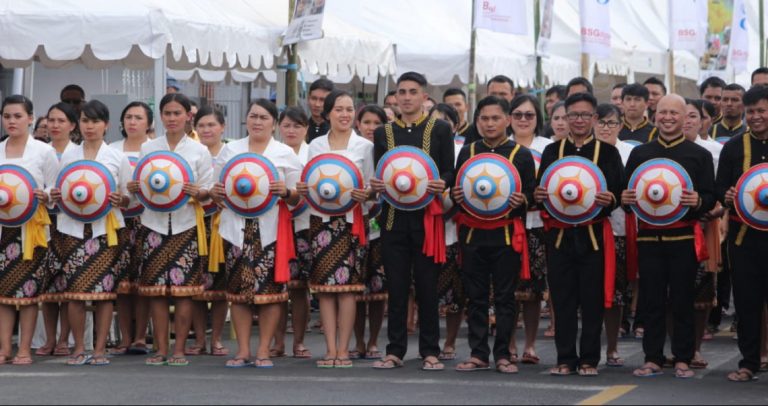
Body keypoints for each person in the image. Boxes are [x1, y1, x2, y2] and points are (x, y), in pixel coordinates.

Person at [623, 94, 716, 379]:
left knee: (682, 300)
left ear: (686, 116)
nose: (668, 118)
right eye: (662, 112)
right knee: (651, 300)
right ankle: (652, 357)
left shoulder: (699, 155)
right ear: (655, 115)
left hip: (683, 238)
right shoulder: (640, 153)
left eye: (674, 113)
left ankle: (683, 357)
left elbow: (711, 196)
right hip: (649, 238)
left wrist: (698, 201)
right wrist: (624, 198)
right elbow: (626, 195)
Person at [534, 92, 624, 377]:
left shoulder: (608, 152)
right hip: (559, 235)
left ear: (595, 118)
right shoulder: (552, 151)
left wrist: (610, 199)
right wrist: (537, 195)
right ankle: (564, 358)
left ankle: (589, 359)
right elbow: (541, 191)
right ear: (564, 118)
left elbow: (619, 192)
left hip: (594, 234)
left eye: (586, 115)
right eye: (573, 115)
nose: (580, 120)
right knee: (562, 299)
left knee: (592, 299)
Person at [370, 72, 455, 371]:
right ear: (395, 97)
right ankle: (394, 350)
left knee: (428, 287)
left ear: (424, 97)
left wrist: (441, 183)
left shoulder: (441, 130)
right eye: (401, 92)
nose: (406, 97)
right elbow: (380, 173)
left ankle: (430, 350)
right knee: (396, 286)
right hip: (393, 220)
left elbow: (450, 171)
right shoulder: (384, 134)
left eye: (412, 92)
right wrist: (376, 186)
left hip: (428, 221)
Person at [210, 99, 301, 368]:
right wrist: (218, 193)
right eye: (253, 116)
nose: (257, 121)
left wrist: (284, 192)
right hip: (236, 228)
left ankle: (263, 349)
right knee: (238, 291)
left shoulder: (284, 153)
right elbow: (218, 189)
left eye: (263, 117)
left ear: (274, 122)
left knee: (270, 291)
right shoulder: (230, 150)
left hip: (271, 229)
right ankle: (242, 350)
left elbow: (297, 197)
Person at [129, 93, 213, 367]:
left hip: (186, 224)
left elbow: (208, 192)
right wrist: (135, 188)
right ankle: (160, 348)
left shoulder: (199, 151)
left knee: (184, 290)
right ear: (161, 116)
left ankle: (179, 348)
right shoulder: (148, 148)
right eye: (167, 113)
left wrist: (197, 192)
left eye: (177, 113)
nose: (172, 118)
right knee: (155, 291)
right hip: (153, 224)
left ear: (188, 116)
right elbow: (138, 189)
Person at [452, 96, 535, 374]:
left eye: (495, 118)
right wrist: (456, 194)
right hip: (473, 233)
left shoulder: (520, 155)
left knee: (505, 297)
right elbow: (456, 188)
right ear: (477, 121)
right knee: (474, 297)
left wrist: (522, 200)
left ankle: (503, 354)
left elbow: (533, 196)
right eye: (484, 119)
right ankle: (478, 354)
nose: (490, 123)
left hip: (506, 235)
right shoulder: (468, 151)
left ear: (508, 120)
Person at [49, 100, 131, 366]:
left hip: (104, 230)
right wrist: (55, 195)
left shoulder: (117, 157)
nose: (89, 126)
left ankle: (99, 348)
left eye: (95, 121)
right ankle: (78, 348)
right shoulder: (69, 156)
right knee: (75, 292)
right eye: (85, 121)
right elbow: (59, 191)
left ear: (106, 125)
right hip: (72, 229)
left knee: (104, 292)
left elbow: (129, 198)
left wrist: (122, 199)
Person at [297, 90, 373, 368]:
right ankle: (329, 348)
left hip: (351, 221)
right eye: (339, 109)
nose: (345, 114)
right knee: (325, 288)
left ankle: (344, 349)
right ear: (327, 113)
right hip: (320, 221)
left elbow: (373, 186)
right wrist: (304, 188)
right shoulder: (315, 145)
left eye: (349, 109)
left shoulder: (364, 146)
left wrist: (367, 194)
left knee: (348, 288)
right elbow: (310, 180)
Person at [0, 95, 58, 366]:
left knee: (28, 293)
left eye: (17, 116)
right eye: (7, 116)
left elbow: (54, 187)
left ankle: (24, 348)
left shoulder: (43, 151)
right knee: (3, 294)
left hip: (31, 230)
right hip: (3, 229)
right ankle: (4, 349)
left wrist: (46, 196)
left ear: (31, 118)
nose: (12, 121)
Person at [717, 85, 768, 382]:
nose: (756, 117)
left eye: (762, 110)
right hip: (743, 238)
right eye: (752, 112)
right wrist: (728, 193)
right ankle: (749, 363)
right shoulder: (733, 147)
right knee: (747, 303)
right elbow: (718, 188)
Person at [506, 94, 552, 365]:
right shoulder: (501, 147)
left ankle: (531, 345)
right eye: (518, 114)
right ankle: (509, 342)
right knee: (507, 289)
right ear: (509, 118)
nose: (523, 119)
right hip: (505, 225)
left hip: (538, 226)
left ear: (538, 119)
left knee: (534, 290)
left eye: (529, 115)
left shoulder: (548, 147)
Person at [185, 106, 230, 357]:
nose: (206, 130)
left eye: (211, 125)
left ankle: (218, 339)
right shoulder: (191, 153)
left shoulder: (230, 153)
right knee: (197, 285)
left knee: (221, 285)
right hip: (195, 221)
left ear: (222, 127)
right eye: (201, 125)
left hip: (222, 222)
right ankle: (200, 339)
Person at [110, 101, 153, 356]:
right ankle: (124, 337)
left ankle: (140, 337)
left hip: (147, 220)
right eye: (128, 117)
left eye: (138, 117)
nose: (132, 122)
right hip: (118, 221)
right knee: (123, 283)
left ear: (148, 123)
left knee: (144, 281)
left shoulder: (155, 150)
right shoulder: (113, 150)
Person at [594, 103, 635, 368]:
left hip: (619, 229)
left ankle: (612, 347)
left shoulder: (630, 152)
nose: (606, 128)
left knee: (616, 293)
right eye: (601, 122)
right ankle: (590, 348)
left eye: (611, 123)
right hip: (587, 229)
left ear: (621, 125)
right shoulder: (584, 152)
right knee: (588, 293)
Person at [682, 98, 722, 370]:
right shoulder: (657, 152)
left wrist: (713, 210)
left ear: (702, 120)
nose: (686, 121)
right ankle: (675, 348)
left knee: (702, 293)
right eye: (681, 115)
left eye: (693, 116)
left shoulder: (713, 152)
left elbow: (722, 192)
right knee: (672, 293)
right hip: (672, 229)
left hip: (706, 227)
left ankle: (695, 348)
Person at [271, 106, 312, 359]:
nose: (291, 130)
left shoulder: (314, 153)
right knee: (276, 286)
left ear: (306, 128)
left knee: (299, 288)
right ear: (278, 127)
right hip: (275, 225)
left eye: (297, 125)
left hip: (305, 224)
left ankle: (298, 341)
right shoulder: (272, 153)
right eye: (286, 125)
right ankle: (277, 342)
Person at [38, 102, 79, 357]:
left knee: (68, 283)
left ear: (72, 125)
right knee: (46, 284)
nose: (54, 125)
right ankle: (49, 339)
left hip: (70, 222)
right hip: (42, 221)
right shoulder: (39, 151)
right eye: (51, 120)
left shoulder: (78, 152)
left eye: (60, 121)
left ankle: (65, 339)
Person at [428, 103, 465, 362]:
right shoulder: (420, 151)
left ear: (454, 126)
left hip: (455, 226)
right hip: (427, 226)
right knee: (427, 288)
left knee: (456, 290)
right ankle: (428, 341)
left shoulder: (463, 151)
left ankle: (450, 341)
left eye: (444, 122)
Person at [351, 105, 388, 361]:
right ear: (358, 123)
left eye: (377, 122)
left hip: (382, 227)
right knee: (354, 290)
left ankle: (373, 341)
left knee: (377, 291)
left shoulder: (389, 151)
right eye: (367, 121)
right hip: (355, 224)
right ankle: (358, 341)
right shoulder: (352, 150)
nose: (371, 127)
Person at [306, 78, 334, 143]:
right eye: (314, 98)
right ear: (308, 99)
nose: (317, 104)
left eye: (322, 100)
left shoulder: (336, 131)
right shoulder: (300, 128)